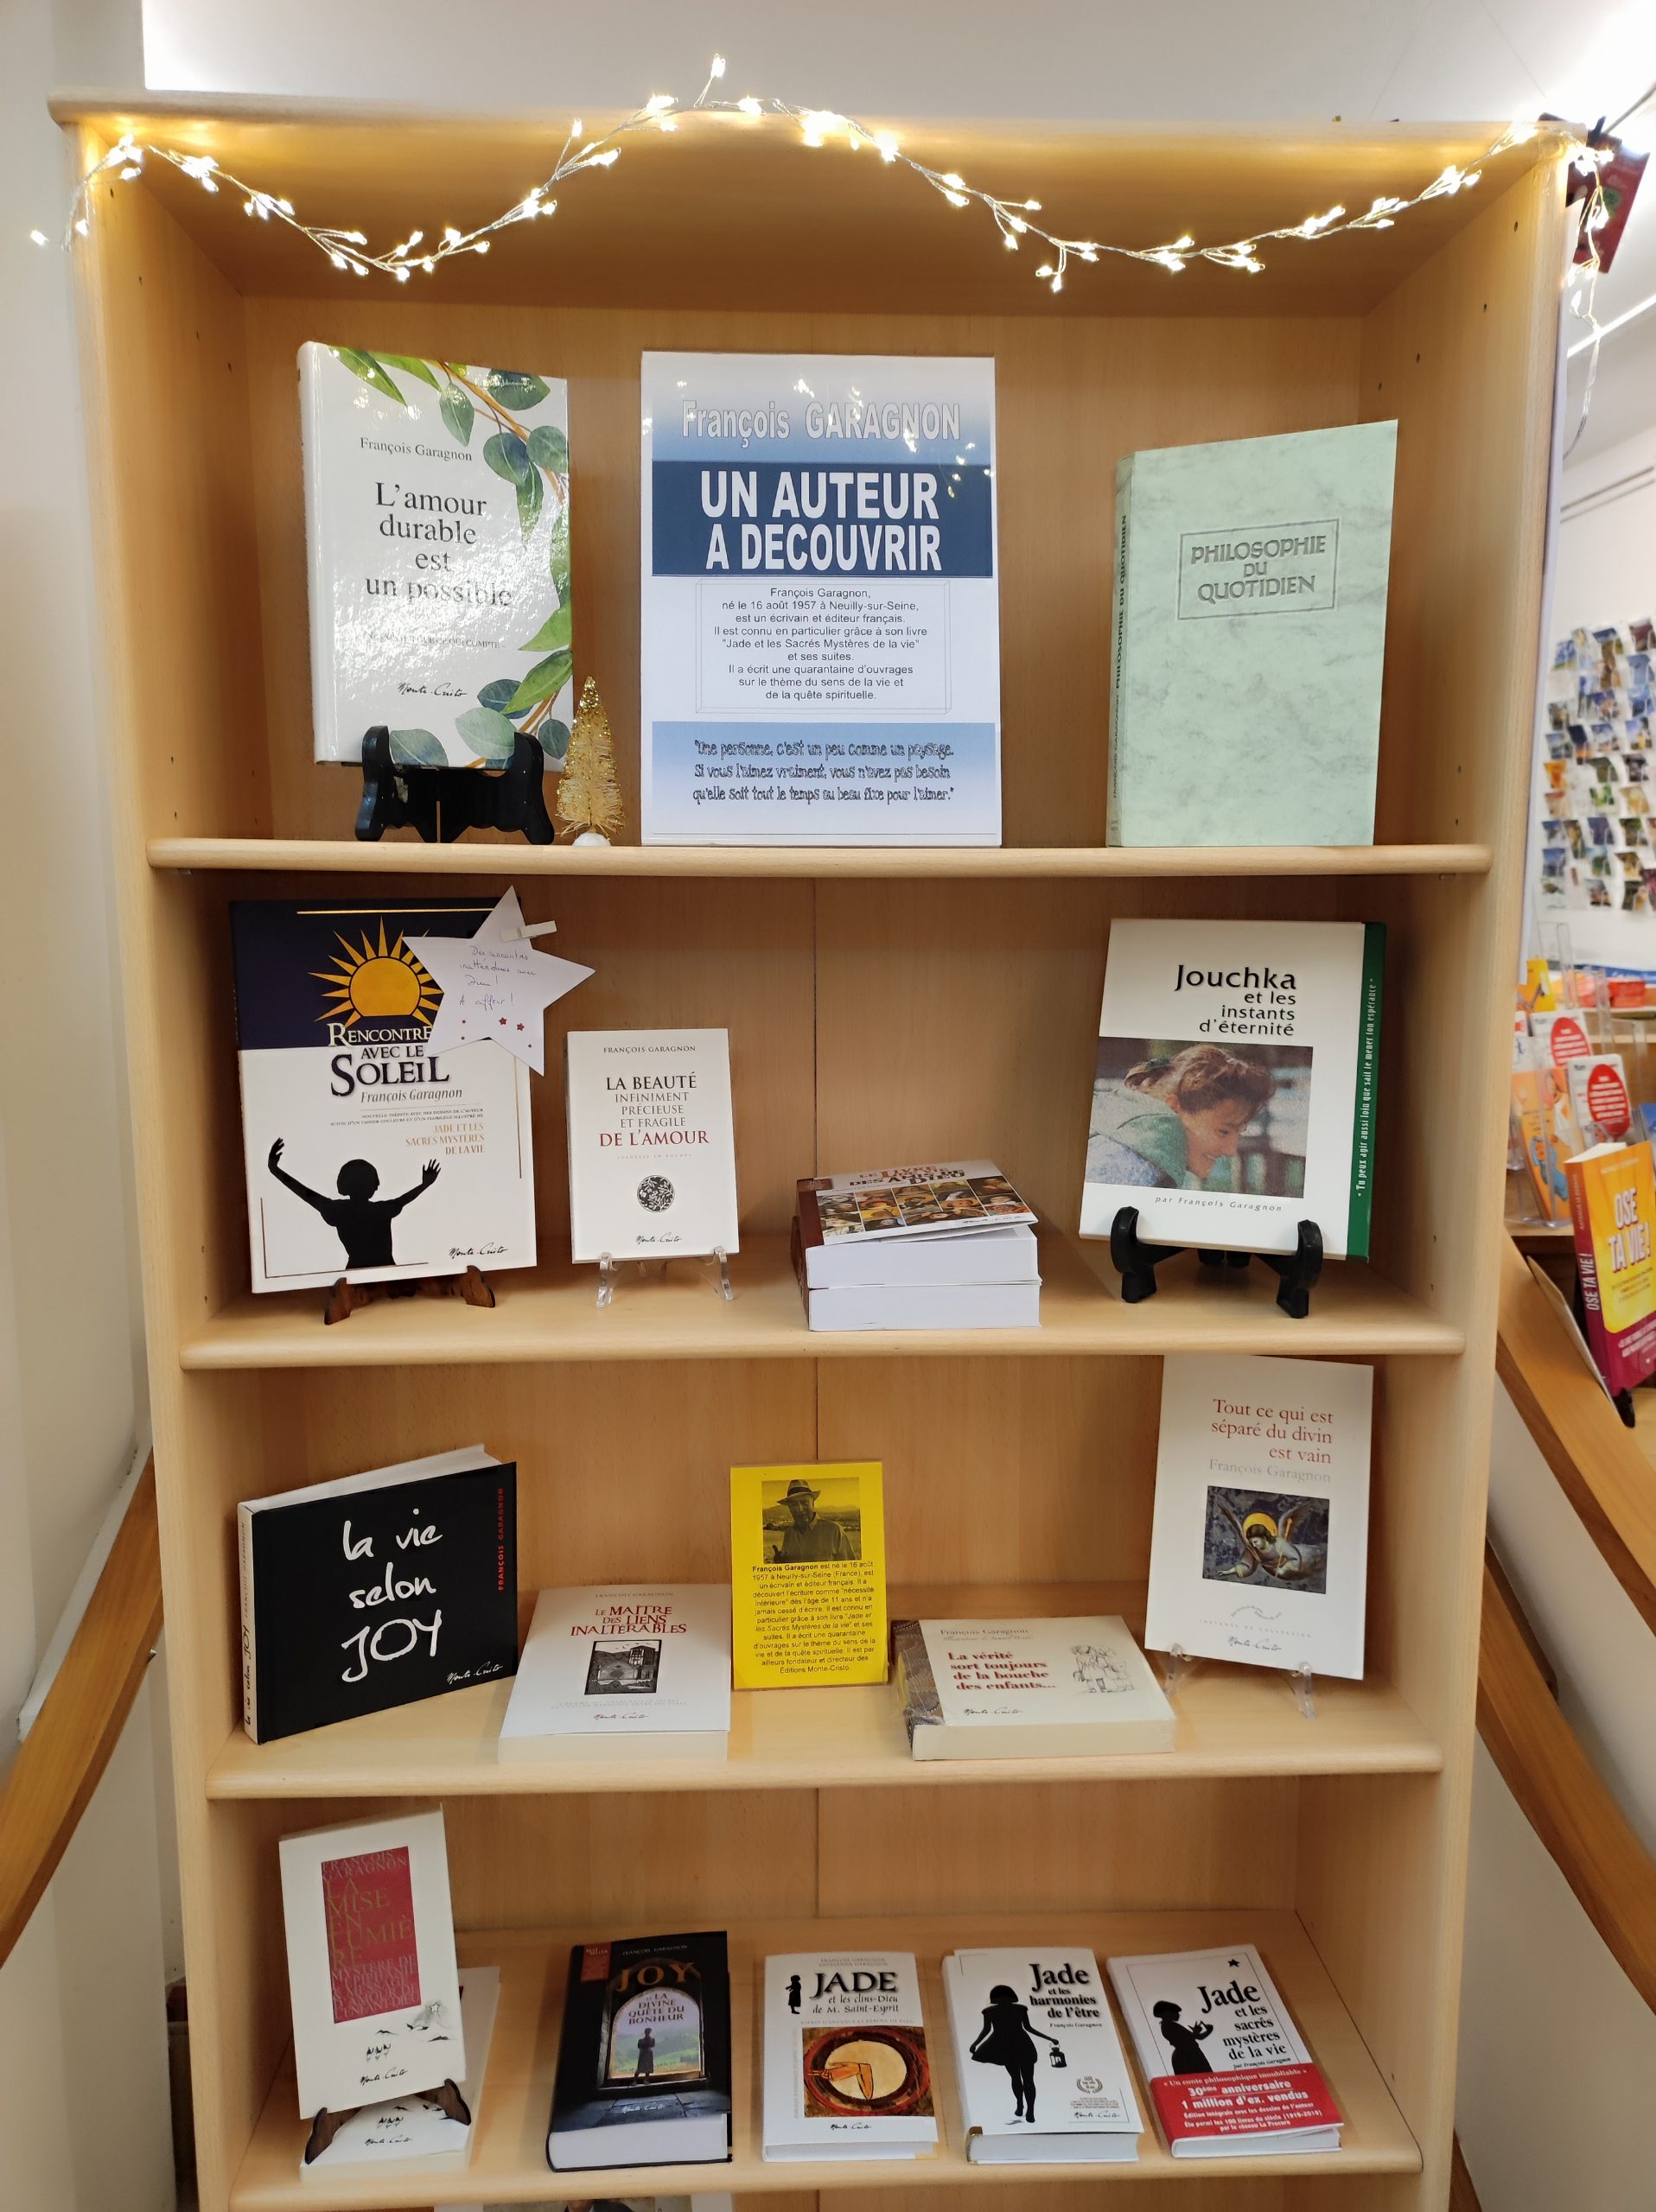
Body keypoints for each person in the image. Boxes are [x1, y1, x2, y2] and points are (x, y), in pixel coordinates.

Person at [1086, 1045, 1274, 1191]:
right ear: (1174, 1108)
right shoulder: (1131, 1168)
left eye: (1238, 1133)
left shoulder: (1127, 1143)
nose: (1231, 1151)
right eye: (1223, 1131)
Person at [266, 1139, 440, 1270]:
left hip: (357, 1274)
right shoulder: (381, 1210)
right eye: (374, 1181)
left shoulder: (338, 1211)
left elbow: (304, 1193)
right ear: (371, 1185)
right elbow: (404, 1199)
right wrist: (425, 1185)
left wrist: (275, 1170)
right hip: (386, 1274)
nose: (377, 1186)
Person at [968, 1983, 1062, 2123]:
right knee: (1021, 2079)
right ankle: (1023, 2106)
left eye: (1004, 1997)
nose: (1003, 2000)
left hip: (1014, 2046)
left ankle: (1027, 2109)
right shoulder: (1005, 2010)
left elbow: (1028, 2028)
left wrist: (1049, 2038)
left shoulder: (998, 2011)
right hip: (1014, 2045)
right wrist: (975, 2043)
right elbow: (987, 2030)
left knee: (1023, 2080)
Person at [774, 1478, 851, 1562]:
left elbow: (849, 1567)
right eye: (794, 1505)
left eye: (804, 1503)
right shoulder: (789, 1533)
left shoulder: (834, 1531)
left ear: (813, 1503)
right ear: (789, 1508)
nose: (800, 1509)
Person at [1152, 1999, 1213, 2075]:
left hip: (1191, 2054)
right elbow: (1186, 2039)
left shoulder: (1171, 2026)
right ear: (1166, 2012)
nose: (1178, 2015)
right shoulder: (1168, 2026)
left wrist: (1206, 2031)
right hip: (1187, 2056)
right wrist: (1197, 2032)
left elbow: (1196, 2037)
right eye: (1175, 2012)